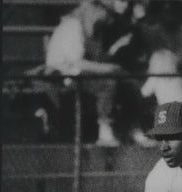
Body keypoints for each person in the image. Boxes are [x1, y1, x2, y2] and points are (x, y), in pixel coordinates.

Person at [44, 0, 133, 146]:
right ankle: (105, 132)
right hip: (61, 76)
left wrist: (115, 50)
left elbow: (96, 61)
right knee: (107, 84)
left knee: (127, 82)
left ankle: (130, 129)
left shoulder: (95, 31)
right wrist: (110, 69)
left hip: (79, 75)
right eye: (106, 13)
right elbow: (77, 63)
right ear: (95, 10)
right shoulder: (73, 26)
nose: (108, 19)